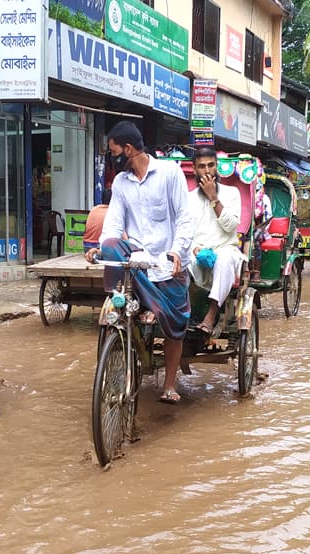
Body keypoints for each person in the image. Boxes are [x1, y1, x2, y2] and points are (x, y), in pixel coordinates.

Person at [84, 121, 194, 405]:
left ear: (128, 149)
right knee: (110, 248)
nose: (111, 157)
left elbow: (184, 217)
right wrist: (99, 249)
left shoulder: (169, 172)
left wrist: (177, 251)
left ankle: (169, 384)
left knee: (175, 326)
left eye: (113, 151)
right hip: (136, 262)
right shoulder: (121, 183)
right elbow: (113, 224)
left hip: (167, 264)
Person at [187, 147, 245, 333]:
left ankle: (211, 315)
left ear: (216, 167)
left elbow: (230, 225)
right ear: (195, 170)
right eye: (202, 166)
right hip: (196, 252)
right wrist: (195, 249)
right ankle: (181, 314)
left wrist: (214, 198)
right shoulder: (187, 199)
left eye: (211, 165)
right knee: (174, 261)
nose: (207, 171)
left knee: (225, 259)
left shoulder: (232, 193)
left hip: (224, 249)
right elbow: (184, 232)